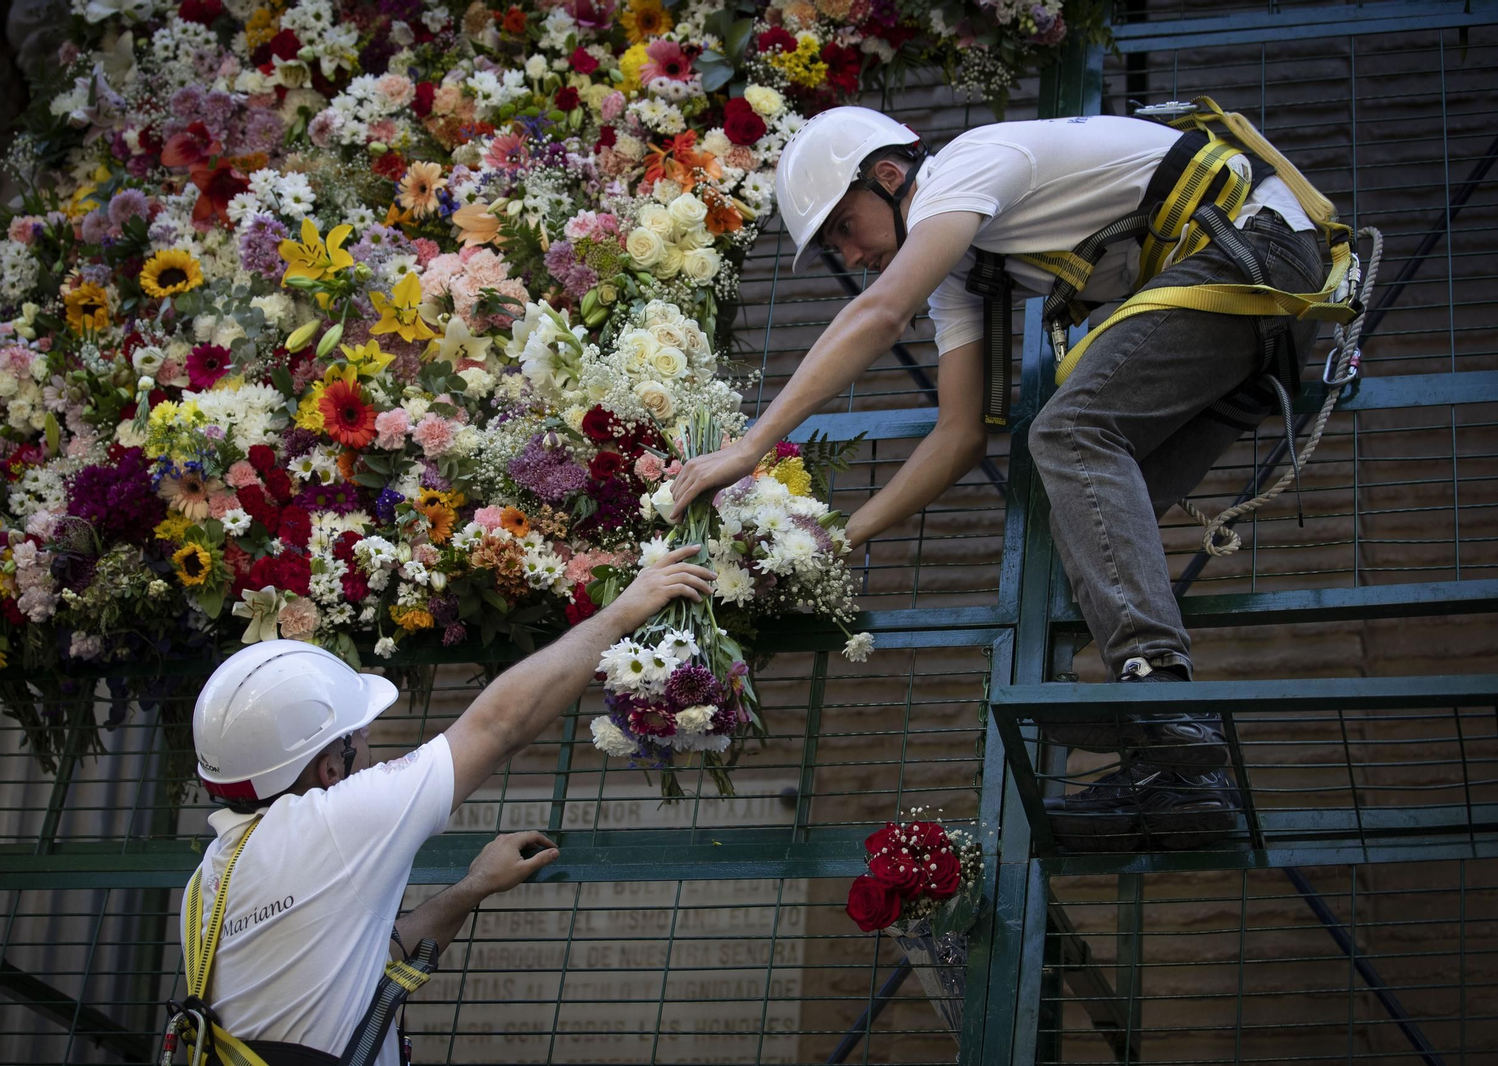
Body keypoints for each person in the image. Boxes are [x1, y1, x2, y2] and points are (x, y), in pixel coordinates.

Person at [667, 105, 1345, 849]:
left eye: (843, 229)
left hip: (1259, 252)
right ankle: (1179, 777)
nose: (848, 254)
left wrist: (751, 446)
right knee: (1091, 512)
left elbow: (881, 313)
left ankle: (1156, 694)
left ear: (888, 177)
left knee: (1074, 432)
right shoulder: (960, 275)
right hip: (1244, 304)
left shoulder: (970, 165)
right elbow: (959, 435)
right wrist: (839, 536)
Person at [176, 546, 714, 1063]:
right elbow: (501, 725)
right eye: (360, 734)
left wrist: (471, 888)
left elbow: (369, 961)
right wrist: (623, 612)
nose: (371, 744)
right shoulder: (334, 821)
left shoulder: (210, 882)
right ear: (330, 768)